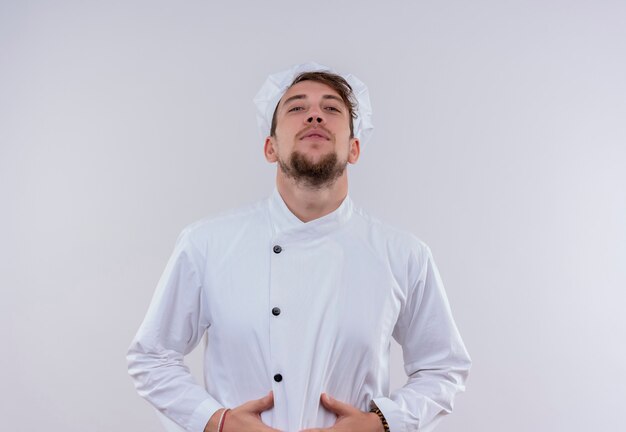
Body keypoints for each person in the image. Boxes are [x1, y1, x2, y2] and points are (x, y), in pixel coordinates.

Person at [127, 62, 471, 432]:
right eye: (296, 108)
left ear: (354, 148)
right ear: (270, 146)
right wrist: (219, 422)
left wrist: (381, 423)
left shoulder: (404, 254)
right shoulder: (206, 244)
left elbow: (442, 367)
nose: (314, 117)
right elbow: (152, 357)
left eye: (331, 109)